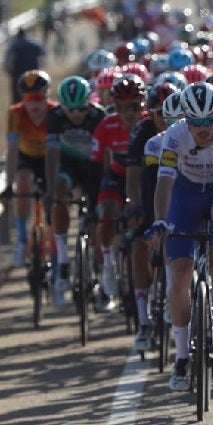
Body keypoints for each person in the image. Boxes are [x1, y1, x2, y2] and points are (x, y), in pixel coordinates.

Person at [150, 82, 213, 391]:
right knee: (179, 276)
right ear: (185, 119)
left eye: (208, 120)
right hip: (185, 197)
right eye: (194, 122)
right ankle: (183, 355)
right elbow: (163, 183)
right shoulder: (174, 135)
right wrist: (161, 221)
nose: (202, 129)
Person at [125, 82, 179, 350]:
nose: (166, 119)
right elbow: (135, 177)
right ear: (151, 114)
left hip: (185, 197)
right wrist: (134, 207)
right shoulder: (144, 132)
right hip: (152, 194)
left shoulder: (188, 131)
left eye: (173, 113)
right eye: (160, 113)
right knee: (138, 244)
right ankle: (144, 319)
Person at [45, 75, 106, 307]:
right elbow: (51, 156)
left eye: (80, 109)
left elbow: (106, 158)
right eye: (70, 110)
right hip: (68, 164)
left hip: (93, 166)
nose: (76, 115)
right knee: (59, 195)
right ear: (61, 106)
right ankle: (62, 259)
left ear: (88, 103)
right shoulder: (55, 117)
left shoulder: (99, 116)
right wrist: (51, 192)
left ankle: (102, 276)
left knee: (98, 220)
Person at [89, 73, 148, 311]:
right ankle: (109, 267)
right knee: (107, 212)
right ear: (114, 106)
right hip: (116, 175)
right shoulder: (106, 125)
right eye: (122, 107)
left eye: (134, 106)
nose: (128, 113)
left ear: (142, 105)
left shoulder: (148, 125)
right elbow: (94, 168)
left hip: (143, 176)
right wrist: (95, 205)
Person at [3, 70, 57, 268]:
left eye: (38, 97)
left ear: (47, 96)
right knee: (23, 181)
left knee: (54, 193)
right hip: (26, 157)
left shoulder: (55, 112)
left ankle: (54, 239)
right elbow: (11, 151)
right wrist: (9, 185)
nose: (34, 104)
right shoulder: (15, 114)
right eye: (28, 98)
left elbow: (57, 151)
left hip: (49, 157)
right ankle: (22, 239)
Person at [3, 28, 46, 104]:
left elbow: (9, 61)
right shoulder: (35, 42)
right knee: (35, 97)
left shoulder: (14, 45)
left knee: (17, 99)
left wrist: (9, 72)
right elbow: (43, 53)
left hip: (18, 76)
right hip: (34, 75)